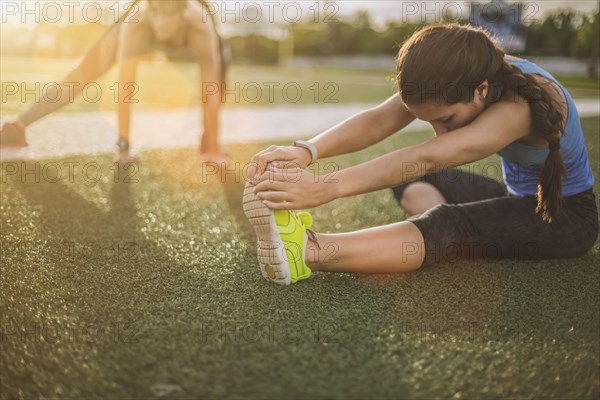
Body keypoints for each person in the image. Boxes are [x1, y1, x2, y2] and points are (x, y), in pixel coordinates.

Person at [242, 23, 598, 286]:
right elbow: (380, 119)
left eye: (445, 119)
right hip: (515, 198)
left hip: (564, 219)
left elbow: (429, 155)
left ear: (481, 91)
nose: (438, 130)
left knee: (451, 222)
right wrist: (306, 151)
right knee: (414, 180)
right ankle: (431, 241)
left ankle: (307, 251)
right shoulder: (460, 75)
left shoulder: (519, 106)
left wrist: (325, 187)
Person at [0, 0, 229, 163]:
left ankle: (209, 141)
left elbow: (209, 89)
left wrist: (215, 149)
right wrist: (124, 147)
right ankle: (17, 127)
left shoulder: (200, 23)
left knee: (220, 74)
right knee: (81, 74)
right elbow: (124, 88)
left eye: (169, 15)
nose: (162, 22)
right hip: (138, 22)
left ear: (182, 13)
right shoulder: (136, 21)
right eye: (157, 11)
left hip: (195, 22)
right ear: (150, 7)